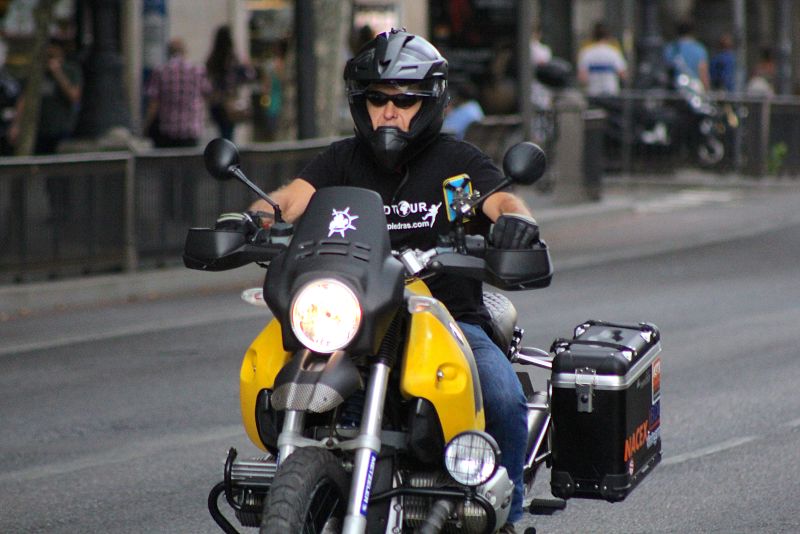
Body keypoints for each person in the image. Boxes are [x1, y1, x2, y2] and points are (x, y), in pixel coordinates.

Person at [245, 29, 535, 534]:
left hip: (449, 321)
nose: (389, 111)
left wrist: (517, 222)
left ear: (429, 104)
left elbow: (501, 201)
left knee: (503, 394)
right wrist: (255, 217)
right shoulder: (341, 161)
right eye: (377, 99)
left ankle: (504, 515)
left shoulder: (457, 164)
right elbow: (290, 198)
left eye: (404, 100)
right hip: (358, 323)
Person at [144, 38, 211, 148]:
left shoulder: (160, 71)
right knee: (188, 163)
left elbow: (154, 103)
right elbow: (207, 93)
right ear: (185, 51)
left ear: (168, 52)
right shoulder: (198, 70)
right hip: (191, 129)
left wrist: (146, 125)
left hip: (167, 129)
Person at [205, 25, 255, 141]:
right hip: (230, 104)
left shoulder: (212, 58)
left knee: (222, 133)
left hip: (216, 103)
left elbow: (208, 80)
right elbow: (248, 76)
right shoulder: (232, 58)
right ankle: (228, 156)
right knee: (228, 135)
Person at [577, 22, 627, 97]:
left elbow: (582, 77)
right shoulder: (613, 52)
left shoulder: (586, 52)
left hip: (593, 92)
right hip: (611, 91)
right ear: (608, 36)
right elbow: (623, 74)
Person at [664, 20, 710, 90]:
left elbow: (667, 71)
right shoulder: (699, 49)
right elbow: (703, 73)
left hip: (675, 91)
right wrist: (707, 90)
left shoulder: (670, 48)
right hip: (694, 92)